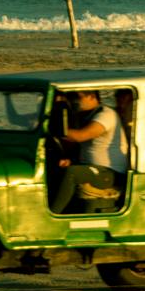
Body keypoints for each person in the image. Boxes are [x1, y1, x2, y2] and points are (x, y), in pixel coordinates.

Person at [50, 85, 129, 213]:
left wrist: (51, 128)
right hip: (91, 168)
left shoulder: (106, 114)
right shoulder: (83, 116)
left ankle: (53, 214)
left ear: (92, 96)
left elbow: (80, 136)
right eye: (72, 97)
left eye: (78, 97)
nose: (74, 101)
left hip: (109, 172)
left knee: (72, 173)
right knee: (53, 166)